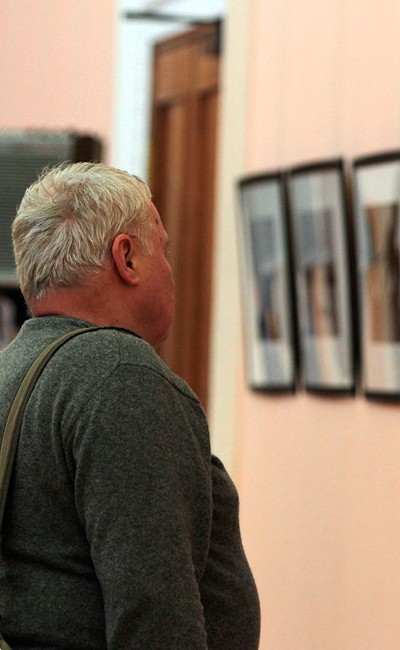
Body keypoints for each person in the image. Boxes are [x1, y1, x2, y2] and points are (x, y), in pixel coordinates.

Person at [0, 162, 260, 648]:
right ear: (126, 258)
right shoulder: (119, 374)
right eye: (163, 249)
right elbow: (154, 613)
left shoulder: (10, 371)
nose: (170, 270)